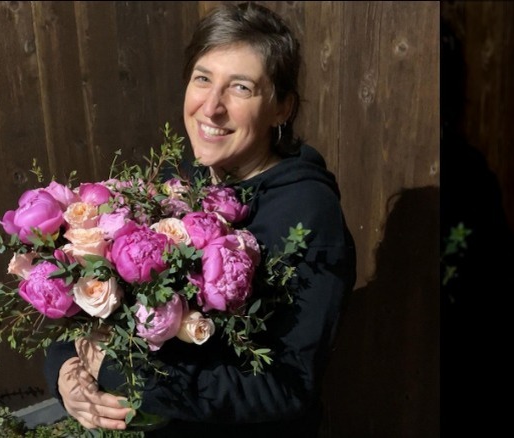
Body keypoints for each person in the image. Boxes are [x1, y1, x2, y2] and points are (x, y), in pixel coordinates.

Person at [43, 3, 356, 436]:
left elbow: (287, 386)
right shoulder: (175, 184)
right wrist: (67, 373)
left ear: (283, 108)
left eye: (241, 88)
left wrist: (127, 376)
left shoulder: (307, 213)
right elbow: (92, 312)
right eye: (203, 79)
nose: (211, 108)